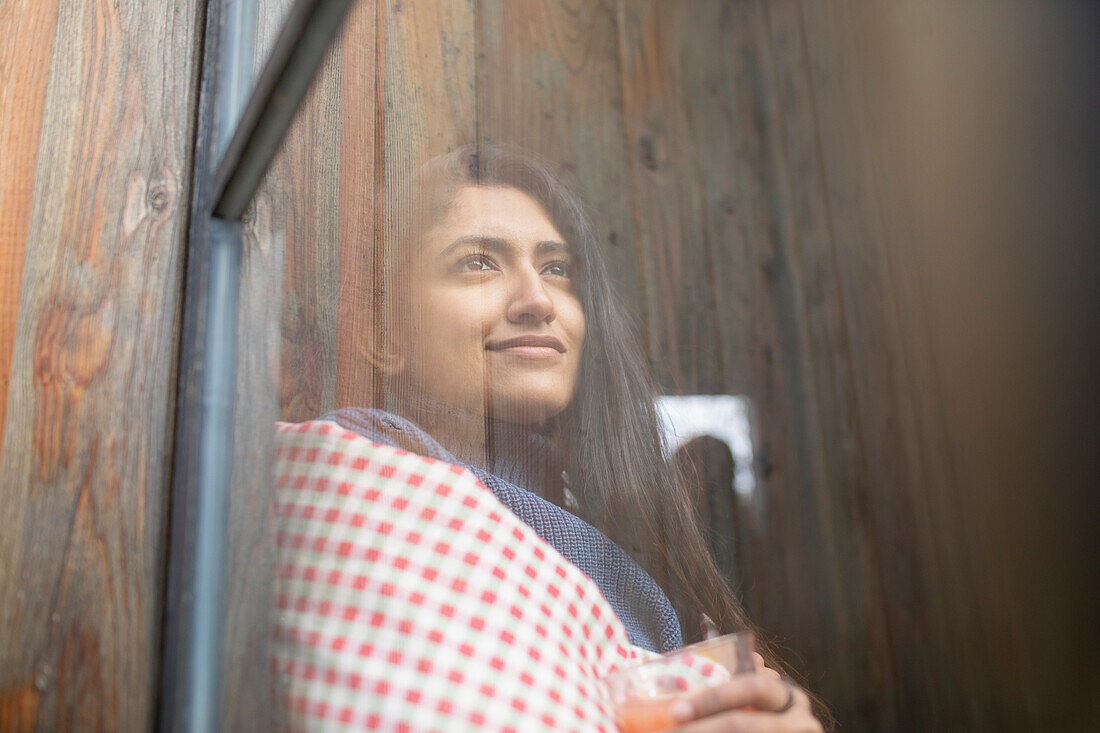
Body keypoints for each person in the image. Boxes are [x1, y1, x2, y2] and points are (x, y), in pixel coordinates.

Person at [320, 144, 826, 731]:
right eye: (479, 262)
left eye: (556, 268)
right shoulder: (348, 486)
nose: (538, 301)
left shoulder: (612, 526)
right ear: (383, 334)